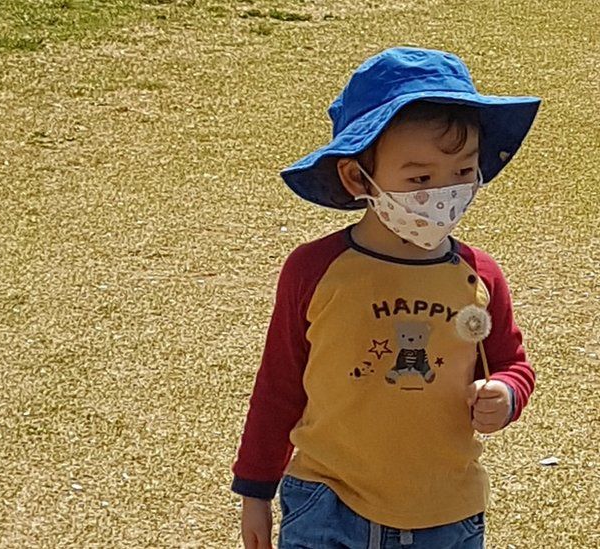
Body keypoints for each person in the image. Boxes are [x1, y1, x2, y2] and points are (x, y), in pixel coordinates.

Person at [231, 46, 540, 549]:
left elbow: (511, 365)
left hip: (446, 512)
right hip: (325, 505)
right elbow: (279, 384)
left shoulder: (479, 276)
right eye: (420, 179)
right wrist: (255, 491)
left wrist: (505, 395)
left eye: (463, 172)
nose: (445, 193)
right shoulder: (314, 271)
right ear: (358, 176)